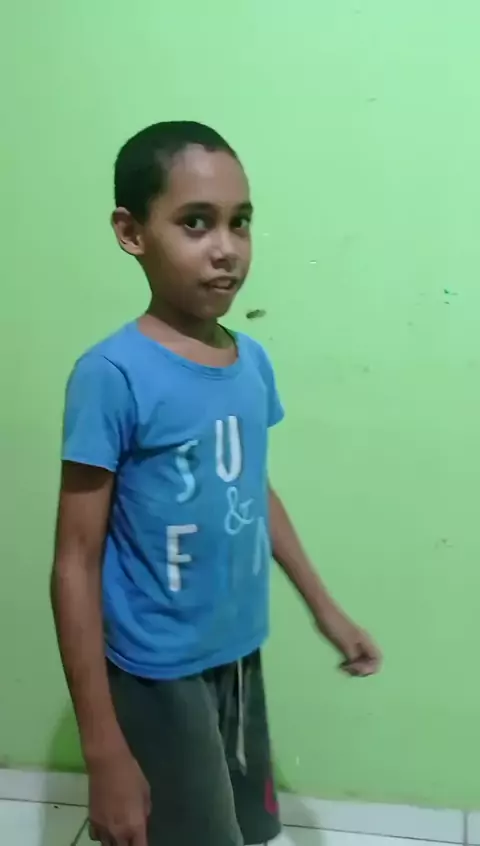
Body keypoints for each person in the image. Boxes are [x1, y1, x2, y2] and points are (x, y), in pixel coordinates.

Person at [51, 121, 381, 846]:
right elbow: (75, 561)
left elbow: (252, 489)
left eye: (241, 222)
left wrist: (325, 609)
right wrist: (102, 750)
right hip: (158, 670)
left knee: (243, 827)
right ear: (131, 232)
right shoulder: (111, 376)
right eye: (195, 223)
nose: (226, 248)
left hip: (235, 652)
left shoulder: (250, 361)